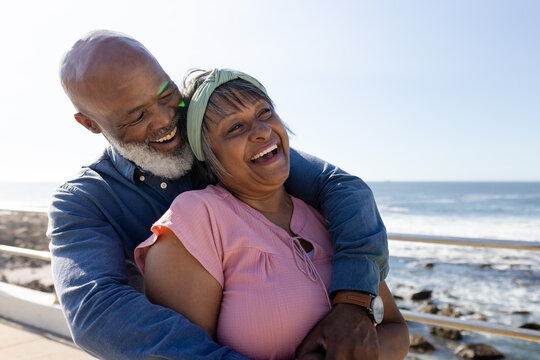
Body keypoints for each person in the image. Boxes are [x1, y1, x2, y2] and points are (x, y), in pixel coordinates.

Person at [48, 30, 389, 360]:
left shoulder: (211, 139)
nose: (167, 119)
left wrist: (353, 303)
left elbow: (342, 187)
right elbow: (96, 311)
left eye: (167, 94)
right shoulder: (81, 202)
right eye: (137, 116)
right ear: (90, 124)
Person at [134, 69, 409, 360]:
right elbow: (180, 353)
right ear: (209, 155)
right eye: (235, 128)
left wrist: (353, 319)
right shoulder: (196, 219)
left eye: (265, 112)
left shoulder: (327, 214)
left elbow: (396, 330)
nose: (262, 130)